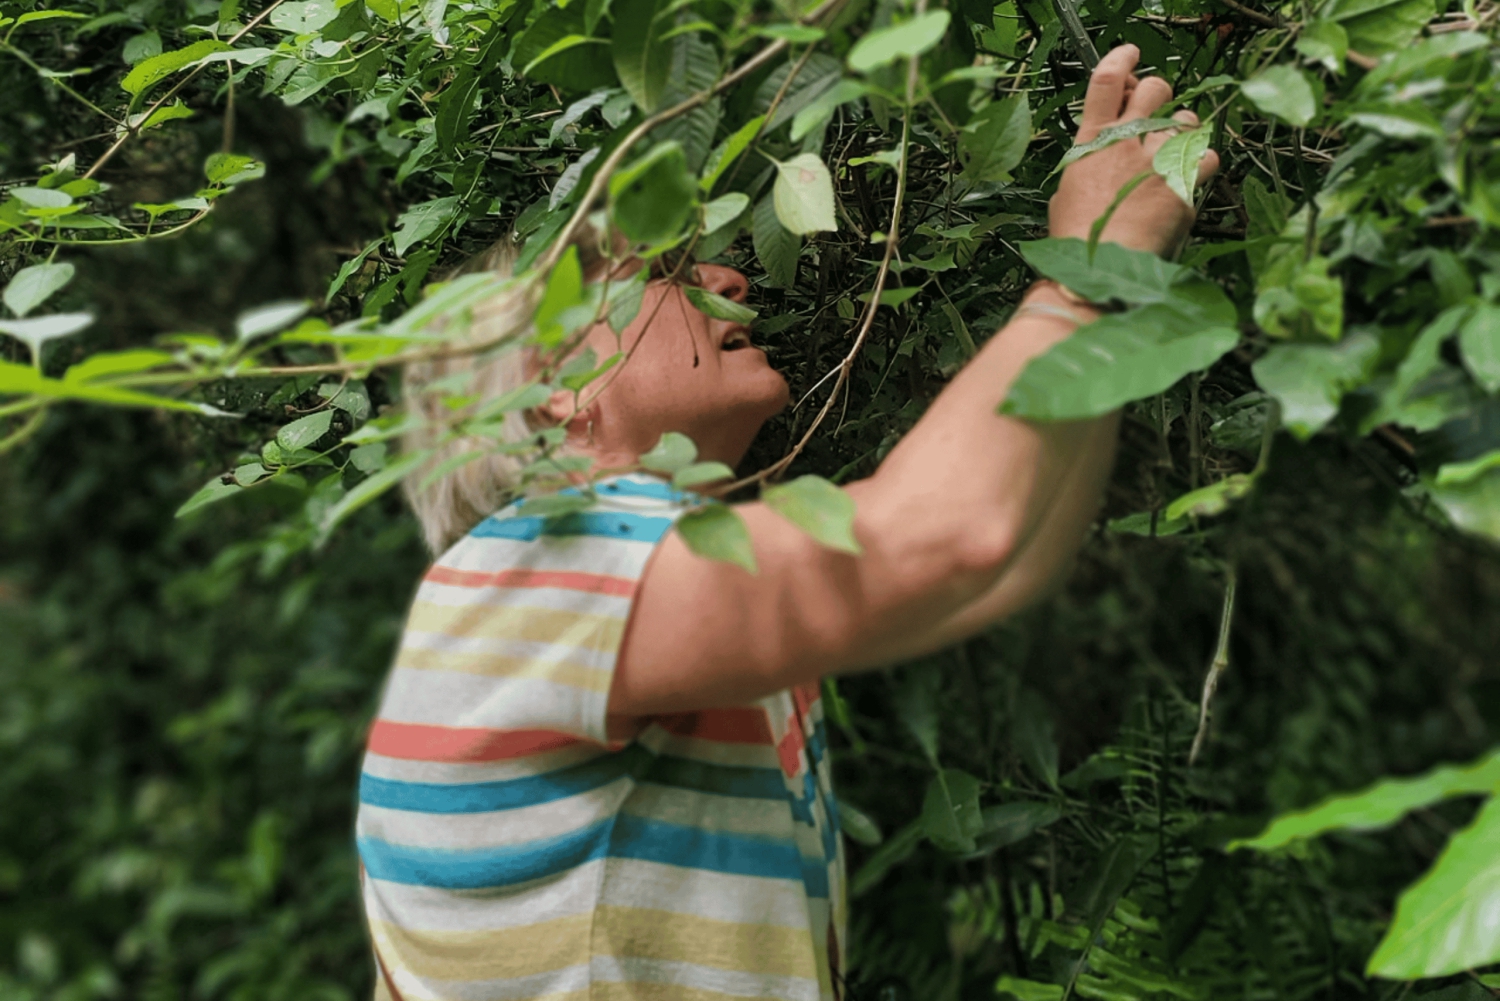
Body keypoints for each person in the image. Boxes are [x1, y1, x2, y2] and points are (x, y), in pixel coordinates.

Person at [356, 43, 1218, 1001]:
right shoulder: (544, 563)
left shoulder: (580, 598)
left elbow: (1002, 560)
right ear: (556, 384)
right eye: (666, 268)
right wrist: (1089, 275)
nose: (726, 276)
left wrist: (1104, 305)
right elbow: (944, 537)